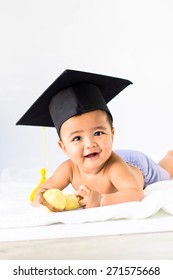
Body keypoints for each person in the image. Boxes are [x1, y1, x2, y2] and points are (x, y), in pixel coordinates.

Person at [16, 69, 173, 211]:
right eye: (77, 138)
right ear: (63, 147)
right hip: (107, 155)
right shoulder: (68, 169)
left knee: (165, 172)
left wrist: (101, 200)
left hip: (136, 165)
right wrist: (44, 200)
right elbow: (42, 191)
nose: (90, 144)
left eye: (98, 133)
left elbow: (135, 193)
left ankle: (170, 156)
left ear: (112, 134)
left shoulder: (115, 167)